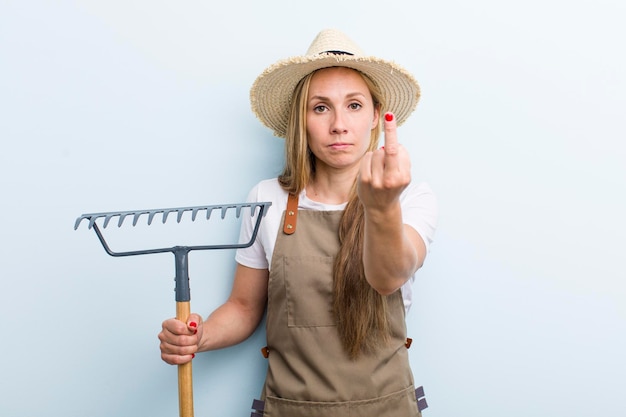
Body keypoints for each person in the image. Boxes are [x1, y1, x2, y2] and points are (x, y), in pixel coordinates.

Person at [158, 28, 438, 416]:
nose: (338, 124)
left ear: (376, 115)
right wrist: (199, 337)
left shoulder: (409, 198)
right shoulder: (266, 199)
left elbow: (389, 275)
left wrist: (382, 205)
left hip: (387, 408)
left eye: (354, 105)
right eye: (320, 107)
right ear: (301, 120)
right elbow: (243, 307)